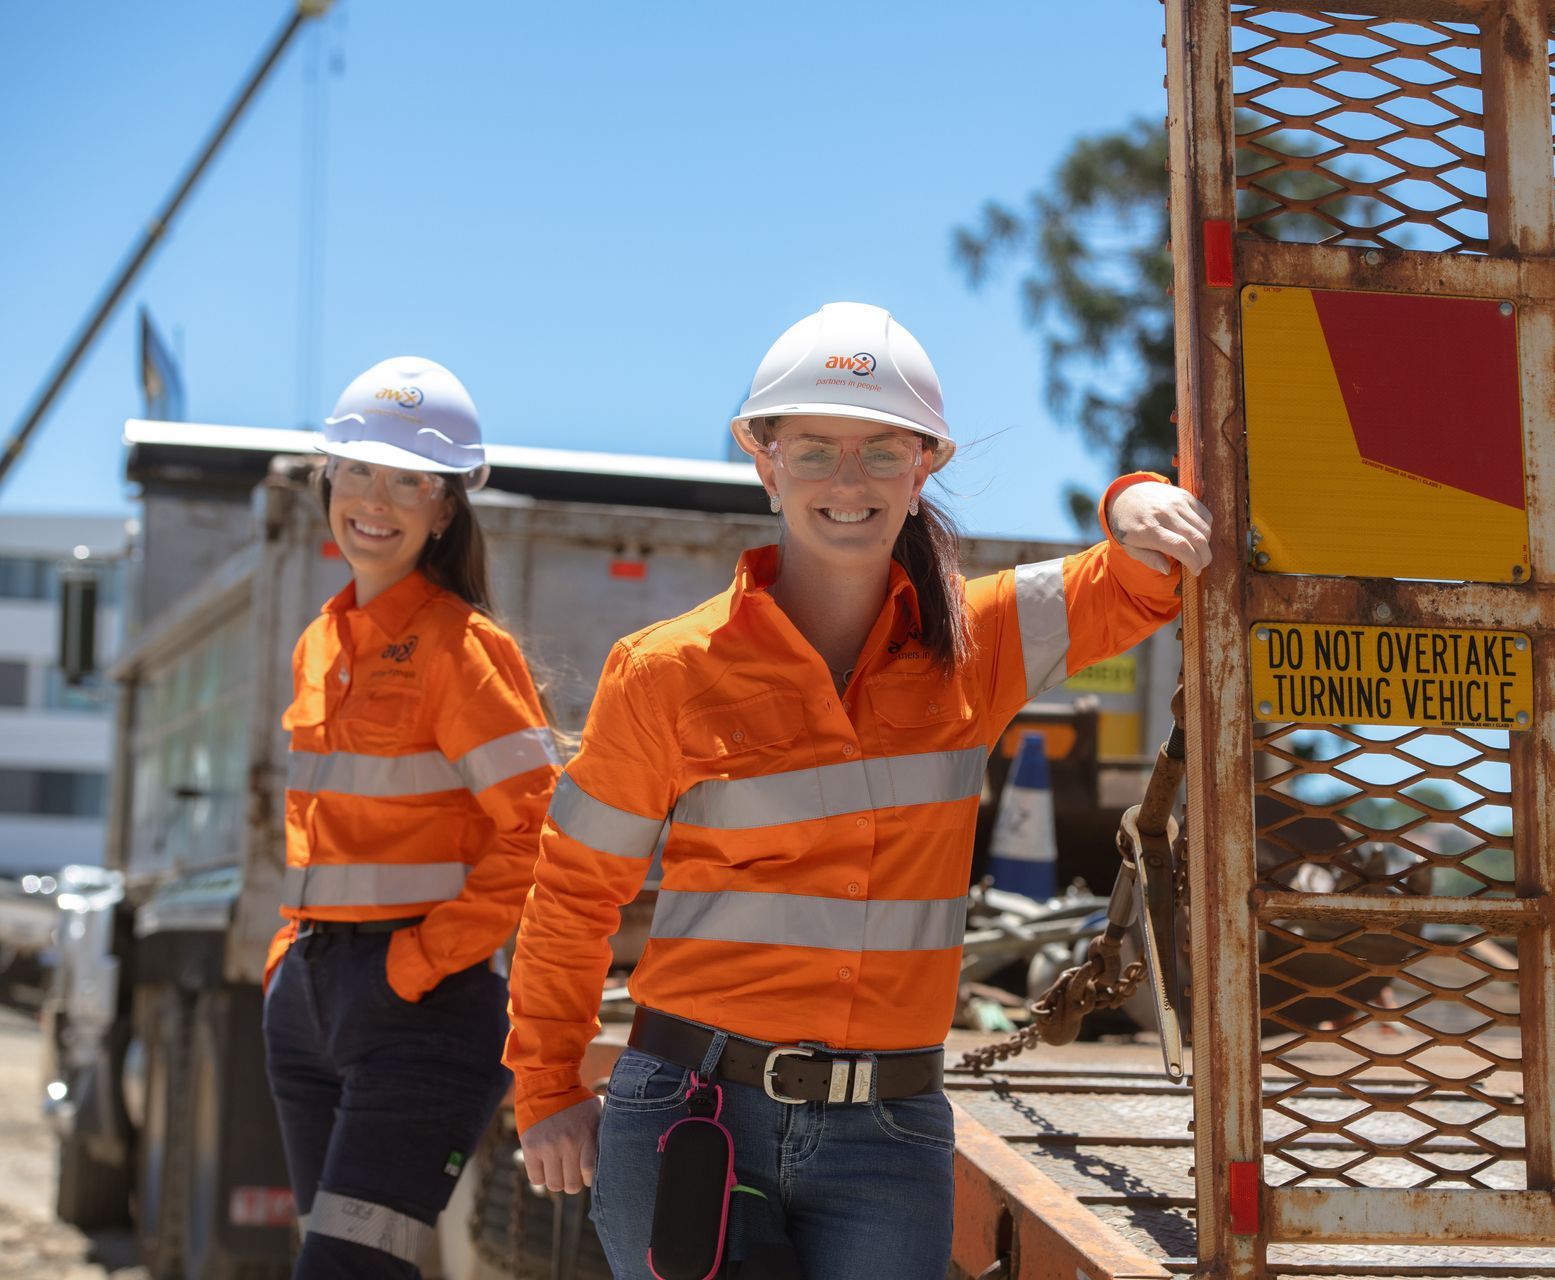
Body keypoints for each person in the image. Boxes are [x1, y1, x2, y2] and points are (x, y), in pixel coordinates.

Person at [507, 302, 1211, 1278]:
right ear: (765, 459)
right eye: (816, 449)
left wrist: (1132, 498)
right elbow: (575, 890)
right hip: (691, 1108)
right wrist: (545, 1088)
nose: (850, 480)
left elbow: (1139, 580)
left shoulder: (981, 641)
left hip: (889, 1132)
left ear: (925, 464)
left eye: (883, 451)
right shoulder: (664, 669)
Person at [262, 357, 562, 1278]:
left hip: (420, 1010)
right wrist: (288, 959)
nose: (374, 499)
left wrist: (418, 964)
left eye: (408, 480)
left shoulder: (463, 650)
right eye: (357, 470)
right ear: (328, 482)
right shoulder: (323, 639)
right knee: (341, 1260)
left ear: (444, 508)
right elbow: (320, 824)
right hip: (310, 998)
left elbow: (543, 832)